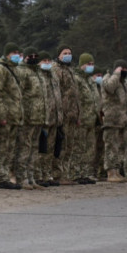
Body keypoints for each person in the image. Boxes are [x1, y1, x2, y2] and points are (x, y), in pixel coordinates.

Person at [0, 43, 24, 189]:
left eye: (18, 52)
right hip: (5, 115)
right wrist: (2, 114)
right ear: (7, 54)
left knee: (9, 147)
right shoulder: (0, 68)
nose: (16, 55)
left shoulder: (14, 69)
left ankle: (4, 174)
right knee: (0, 146)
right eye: (13, 52)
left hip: (14, 115)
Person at [14, 46, 47, 190]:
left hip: (39, 116)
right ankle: (22, 178)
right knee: (24, 148)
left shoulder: (39, 73)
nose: (33, 57)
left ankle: (31, 177)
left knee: (34, 148)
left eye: (36, 55)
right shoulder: (22, 72)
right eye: (30, 55)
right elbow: (19, 94)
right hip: (27, 116)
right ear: (25, 57)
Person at [51, 45, 80, 185]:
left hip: (72, 114)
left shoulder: (70, 70)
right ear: (59, 55)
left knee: (69, 146)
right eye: (65, 53)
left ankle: (66, 173)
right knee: (61, 146)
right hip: (63, 113)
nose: (68, 55)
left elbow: (74, 95)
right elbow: (56, 93)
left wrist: (77, 114)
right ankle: (57, 174)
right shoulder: (56, 70)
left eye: (69, 53)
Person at [71, 53, 100, 184]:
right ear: (82, 64)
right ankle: (76, 173)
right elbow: (76, 99)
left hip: (92, 119)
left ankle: (87, 173)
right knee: (79, 147)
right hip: (81, 119)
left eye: (92, 64)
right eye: (88, 64)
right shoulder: (77, 79)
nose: (91, 66)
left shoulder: (90, 80)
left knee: (90, 148)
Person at [36, 51, 63, 186]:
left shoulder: (53, 76)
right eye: (44, 61)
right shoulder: (38, 76)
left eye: (48, 60)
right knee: (42, 148)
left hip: (55, 117)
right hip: (44, 117)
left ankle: (47, 174)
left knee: (51, 149)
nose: (47, 63)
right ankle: (39, 174)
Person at [101, 59, 127, 182]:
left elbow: (125, 102)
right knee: (111, 147)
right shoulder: (108, 78)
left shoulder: (124, 82)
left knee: (119, 148)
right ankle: (110, 172)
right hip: (111, 120)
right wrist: (116, 74)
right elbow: (110, 88)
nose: (123, 72)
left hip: (121, 120)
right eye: (121, 69)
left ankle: (117, 171)